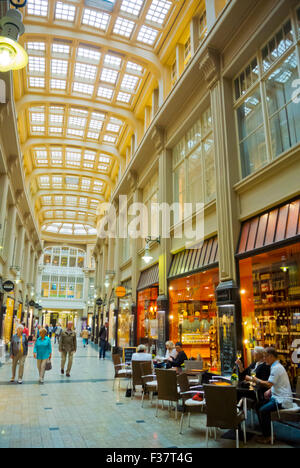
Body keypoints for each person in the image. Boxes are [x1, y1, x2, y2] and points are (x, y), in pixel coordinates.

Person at [253, 347, 293, 444]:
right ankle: (267, 433)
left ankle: (268, 437)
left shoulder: (276, 368)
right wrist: (270, 390)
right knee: (257, 405)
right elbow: (275, 383)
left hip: (281, 400)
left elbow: (268, 384)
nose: (264, 359)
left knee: (263, 410)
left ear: (270, 356)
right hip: (276, 397)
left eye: (265, 357)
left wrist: (253, 379)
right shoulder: (276, 366)